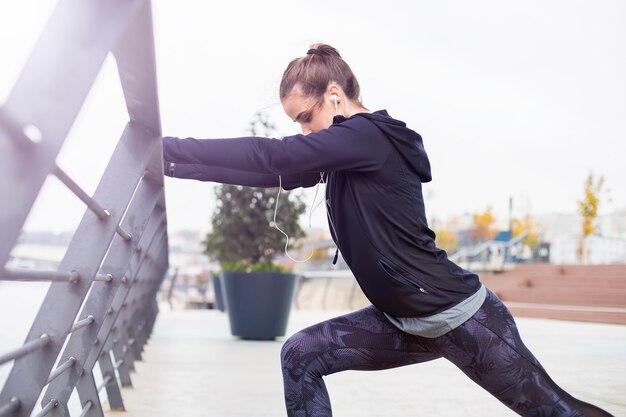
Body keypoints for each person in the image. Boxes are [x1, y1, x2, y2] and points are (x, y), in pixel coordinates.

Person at [162, 44, 613, 417]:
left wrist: (169, 146)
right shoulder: (342, 152)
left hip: (460, 318)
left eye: (304, 117)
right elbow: (274, 173)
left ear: (334, 95)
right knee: (300, 355)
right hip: (404, 322)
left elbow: (275, 157)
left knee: (555, 412)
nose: (303, 132)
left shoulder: (368, 138)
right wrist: (174, 165)